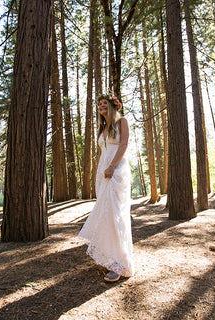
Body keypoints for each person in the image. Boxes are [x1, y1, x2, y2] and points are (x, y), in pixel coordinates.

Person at [78, 94, 134, 282]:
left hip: (116, 171)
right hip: (104, 172)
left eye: (104, 103)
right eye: (99, 104)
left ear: (113, 106)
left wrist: (112, 166)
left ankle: (120, 264)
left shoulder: (122, 122)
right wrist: (101, 170)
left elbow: (124, 144)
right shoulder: (102, 128)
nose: (101, 106)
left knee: (115, 214)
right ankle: (109, 257)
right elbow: (102, 152)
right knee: (105, 214)